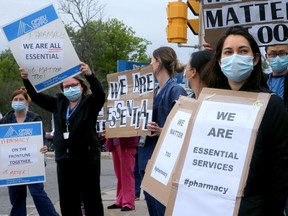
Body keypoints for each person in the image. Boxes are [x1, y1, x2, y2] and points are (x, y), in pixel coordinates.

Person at [201, 26, 288, 215]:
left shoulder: (272, 105)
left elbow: (280, 169)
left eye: (242, 51)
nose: (235, 57)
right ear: (219, 60)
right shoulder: (208, 104)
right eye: (228, 52)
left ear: (255, 59)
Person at [19, 62, 105, 216]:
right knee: (68, 201)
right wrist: (27, 80)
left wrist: (90, 75)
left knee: (91, 199)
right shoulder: (58, 104)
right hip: (64, 161)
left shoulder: (90, 103)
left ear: (82, 86)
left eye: (74, 85)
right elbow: (38, 98)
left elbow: (100, 94)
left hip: (87, 160)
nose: (70, 88)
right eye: (66, 86)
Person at [138, 46, 188, 216]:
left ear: (158, 63)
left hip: (163, 163)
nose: (150, 64)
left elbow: (183, 126)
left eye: (151, 61)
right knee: (152, 207)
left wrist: (162, 131)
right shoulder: (150, 93)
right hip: (147, 157)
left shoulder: (176, 90)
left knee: (162, 209)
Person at [0, 89, 58, 216]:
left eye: (21, 99)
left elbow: (42, 139)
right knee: (16, 195)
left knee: (38, 193)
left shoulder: (35, 118)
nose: (18, 102)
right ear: (11, 102)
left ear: (27, 102)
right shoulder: (5, 120)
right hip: (13, 166)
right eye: (16, 100)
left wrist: (44, 147)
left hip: (33, 164)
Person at [106, 137, 138, 211]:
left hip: (126, 141)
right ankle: (120, 200)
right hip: (115, 142)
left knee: (127, 174)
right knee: (119, 175)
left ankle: (128, 202)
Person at [265, 44, 288, 109]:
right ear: (267, 57)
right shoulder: (261, 81)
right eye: (273, 54)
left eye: (282, 53)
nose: (277, 58)